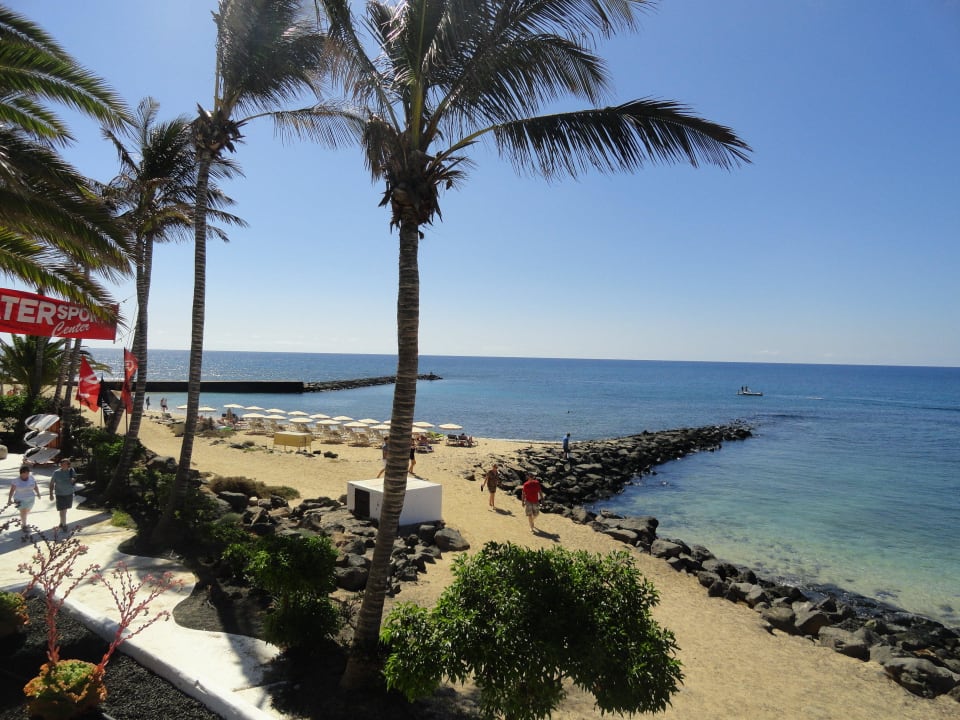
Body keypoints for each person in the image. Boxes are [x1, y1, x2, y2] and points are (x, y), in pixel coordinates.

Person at [8, 464, 42, 540]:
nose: (27, 475)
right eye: (25, 473)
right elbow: (12, 491)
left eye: (28, 473)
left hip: (30, 498)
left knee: (27, 512)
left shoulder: (31, 478)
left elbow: (35, 486)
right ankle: (24, 525)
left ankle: (23, 521)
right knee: (23, 512)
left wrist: (38, 493)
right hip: (19, 499)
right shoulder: (16, 480)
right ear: (21, 473)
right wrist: (9, 499)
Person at [49, 457, 78, 531]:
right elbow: (52, 484)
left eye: (65, 464)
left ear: (68, 465)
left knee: (64, 510)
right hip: (59, 494)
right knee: (63, 510)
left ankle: (61, 523)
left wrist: (73, 480)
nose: (63, 465)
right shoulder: (56, 472)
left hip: (69, 493)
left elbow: (74, 480)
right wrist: (51, 494)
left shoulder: (71, 471)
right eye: (62, 464)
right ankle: (64, 525)